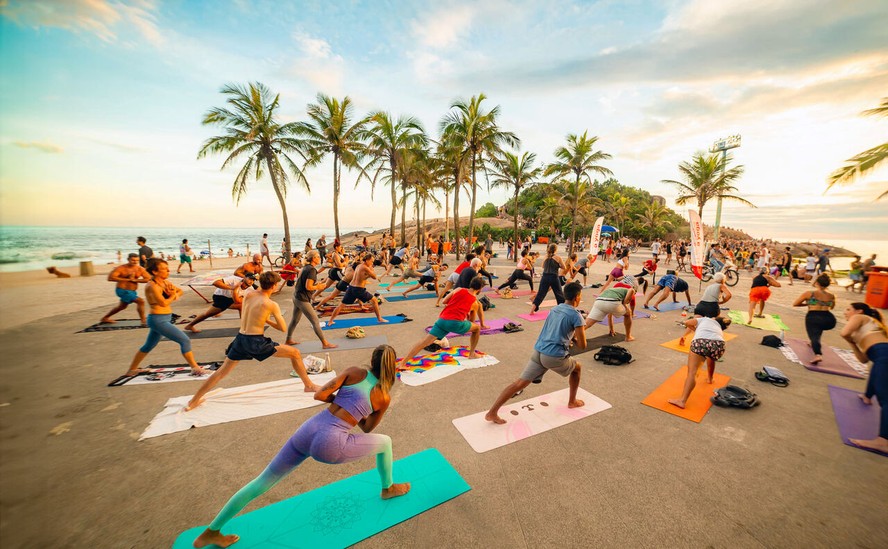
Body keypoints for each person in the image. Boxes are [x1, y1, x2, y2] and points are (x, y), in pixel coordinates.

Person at [189, 345, 410, 549]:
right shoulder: (383, 397)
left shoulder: (354, 372)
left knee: (262, 481)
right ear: (391, 367)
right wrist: (357, 410)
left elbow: (320, 394)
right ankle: (388, 488)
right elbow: (368, 428)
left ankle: (211, 531)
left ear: (372, 360)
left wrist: (342, 402)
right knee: (385, 442)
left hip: (309, 429)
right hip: (331, 443)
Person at [186, 272, 320, 411]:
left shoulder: (249, 294)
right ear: (274, 286)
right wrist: (267, 320)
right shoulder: (270, 304)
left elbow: (240, 299)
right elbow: (283, 328)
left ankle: (193, 401)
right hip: (255, 341)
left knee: (221, 372)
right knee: (295, 353)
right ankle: (309, 386)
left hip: (240, 338)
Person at [485, 281, 587, 424]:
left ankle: (492, 412)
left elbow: (553, 329)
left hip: (538, 352)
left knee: (518, 384)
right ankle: (572, 401)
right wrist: (574, 339)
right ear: (577, 297)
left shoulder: (555, 308)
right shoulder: (576, 316)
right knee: (577, 369)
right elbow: (582, 345)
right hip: (553, 356)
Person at [124, 259, 208, 377]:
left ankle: (132, 370)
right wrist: (172, 295)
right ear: (155, 271)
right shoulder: (152, 286)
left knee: (149, 345)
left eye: (167, 268)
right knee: (184, 340)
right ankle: (195, 368)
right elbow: (163, 303)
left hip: (164, 318)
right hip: (157, 320)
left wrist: (173, 294)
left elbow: (180, 291)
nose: (168, 271)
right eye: (164, 269)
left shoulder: (165, 282)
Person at [398, 277, 488, 370]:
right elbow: (471, 322)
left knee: (424, 342)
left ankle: (403, 363)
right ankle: (472, 353)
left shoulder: (459, 289)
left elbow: (444, 301)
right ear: (480, 288)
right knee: (477, 328)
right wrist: (467, 314)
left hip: (442, 320)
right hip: (455, 323)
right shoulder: (475, 302)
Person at [840, 303, 888, 453]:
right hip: (881, 356)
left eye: (848, 309)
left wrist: (849, 337)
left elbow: (844, 332)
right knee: (876, 369)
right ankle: (867, 396)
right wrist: (852, 342)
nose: (845, 312)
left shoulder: (860, 317)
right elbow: (863, 359)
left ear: (859, 311)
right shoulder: (870, 327)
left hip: (884, 356)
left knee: (885, 399)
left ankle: (884, 442)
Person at [668, 315, 732, 409]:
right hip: (719, 344)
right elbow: (711, 360)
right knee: (710, 358)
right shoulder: (719, 329)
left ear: (714, 318)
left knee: (692, 373)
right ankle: (710, 378)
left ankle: (682, 401)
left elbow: (687, 322)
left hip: (700, 342)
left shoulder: (705, 319)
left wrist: (696, 330)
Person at [285, 251, 337, 349]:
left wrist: (317, 283)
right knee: (315, 321)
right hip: (302, 299)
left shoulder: (306, 268)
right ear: (313, 258)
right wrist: (319, 286)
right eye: (317, 256)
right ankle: (325, 344)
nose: (319, 258)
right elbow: (308, 287)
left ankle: (288, 340)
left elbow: (305, 281)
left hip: (296, 296)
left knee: (295, 320)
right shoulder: (311, 270)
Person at [327, 253, 386, 326]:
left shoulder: (359, 266)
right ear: (367, 260)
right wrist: (371, 270)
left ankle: (330, 321)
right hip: (358, 289)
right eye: (371, 261)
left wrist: (368, 274)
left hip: (351, 287)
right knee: (374, 300)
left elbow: (362, 277)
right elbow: (374, 277)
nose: (372, 263)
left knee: (341, 305)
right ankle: (379, 319)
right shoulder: (365, 268)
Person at [184, 274, 255, 333]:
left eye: (248, 285)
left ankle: (244, 326)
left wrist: (235, 290)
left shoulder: (250, 289)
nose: (246, 286)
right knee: (207, 314)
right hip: (220, 297)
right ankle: (190, 325)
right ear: (243, 278)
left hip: (230, 299)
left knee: (241, 306)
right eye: (245, 284)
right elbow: (215, 283)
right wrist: (231, 287)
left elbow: (238, 301)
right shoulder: (234, 279)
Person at [792, 274, 836, 364]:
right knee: (818, 328)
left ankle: (818, 355)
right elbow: (832, 307)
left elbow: (795, 304)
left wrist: (809, 303)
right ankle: (812, 342)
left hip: (814, 316)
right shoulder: (831, 295)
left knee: (814, 335)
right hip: (829, 319)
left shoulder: (809, 293)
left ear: (817, 283)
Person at [100, 253, 151, 324]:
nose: (135, 262)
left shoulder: (140, 269)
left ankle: (105, 318)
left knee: (122, 306)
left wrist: (135, 280)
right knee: (141, 301)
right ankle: (143, 320)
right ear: (128, 259)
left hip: (132, 291)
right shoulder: (121, 268)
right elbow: (110, 278)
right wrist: (128, 279)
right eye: (133, 260)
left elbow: (148, 279)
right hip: (122, 290)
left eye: (137, 260)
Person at [529, 244, 566, 315]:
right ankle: (562, 310)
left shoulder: (546, 257)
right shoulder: (558, 257)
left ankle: (532, 311)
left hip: (545, 277)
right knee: (559, 294)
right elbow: (564, 267)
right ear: (555, 250)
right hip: (554, 277)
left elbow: (543, 266)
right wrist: (558, 265)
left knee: (540, 294)